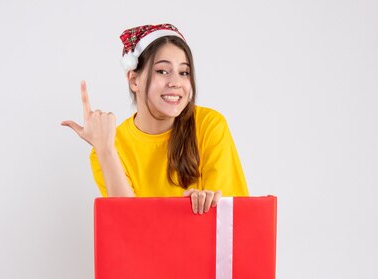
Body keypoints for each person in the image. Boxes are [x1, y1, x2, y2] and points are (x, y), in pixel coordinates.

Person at [62, 23, 248, 214]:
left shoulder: (209, 125)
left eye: (184, 72)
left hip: (203, 244)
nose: (176, 83)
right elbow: (129, 225)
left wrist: (206, 205)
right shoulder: (108, 147)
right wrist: (105, 150)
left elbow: (230, 220)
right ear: (134, 80)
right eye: (162, 71)